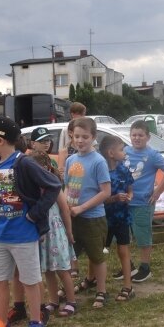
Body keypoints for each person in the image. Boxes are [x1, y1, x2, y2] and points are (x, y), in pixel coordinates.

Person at [0, 117, 61, 327]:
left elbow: (54, 185)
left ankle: (36, 322)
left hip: (24, 236)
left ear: (1, 140)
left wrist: (35, 214)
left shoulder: (24, 163)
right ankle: (1, 324)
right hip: (0, 237)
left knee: (30, 281)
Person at [64, 117, 112, 309]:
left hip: (93, 218)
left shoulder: (98, 161)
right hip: (73, 218)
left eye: (85, 136)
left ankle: (102, 291)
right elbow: (67, 186)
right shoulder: (70, 160)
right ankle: (68, 291)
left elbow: (106, 192)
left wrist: (82, 208)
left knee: (96, 257)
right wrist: (66, 207)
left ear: (93, 137)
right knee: (70, 256)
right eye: (76, 136)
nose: (80, 140)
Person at [121, 120, 164, 282]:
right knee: (123, 236)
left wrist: (158, 192)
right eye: (133, 135)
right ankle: (127, 266)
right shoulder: (125, 151)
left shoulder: (152, 154)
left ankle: (145, 267)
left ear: (147, 137)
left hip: (142, 202)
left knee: (143, 235)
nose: (137, 138)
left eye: (140, 135)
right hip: (124, 202)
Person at [27, 150, 78, 317]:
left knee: (62, 269)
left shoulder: (53, 184)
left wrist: (69, 232)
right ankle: (54, 300)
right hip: (41, 233)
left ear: (46, 168)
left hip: (56, 233)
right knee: (47, 269)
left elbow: (64, 210)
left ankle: (71, 301)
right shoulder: (31, 187)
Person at [99, 135, 137, 302]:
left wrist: (129, 196)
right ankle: (96, 283)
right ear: (111, 153)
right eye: (121, 150)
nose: (125, 153)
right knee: (98, 252)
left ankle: (128, 286)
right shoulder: (100, 171)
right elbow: (98, 197)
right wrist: (113, 198)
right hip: (103, 218)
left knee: (123, 250)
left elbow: (130, 190)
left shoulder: (124, 169)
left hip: (122, 217)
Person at [57, 102, 87, 175]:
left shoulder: (86, 127)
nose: (84, 116)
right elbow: (61, 148)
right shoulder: (65, 130)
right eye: (82, 114)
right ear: (73, 114)